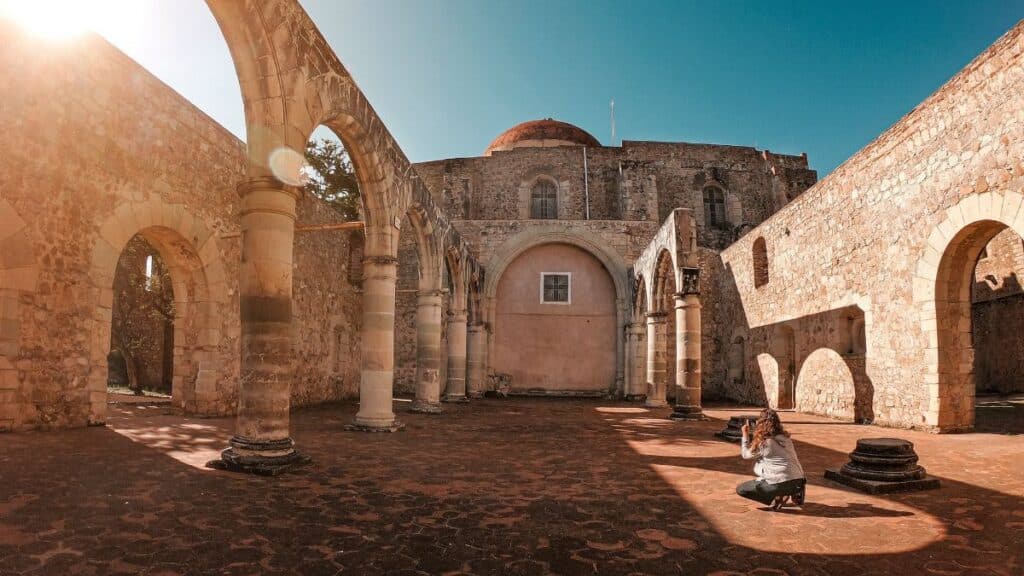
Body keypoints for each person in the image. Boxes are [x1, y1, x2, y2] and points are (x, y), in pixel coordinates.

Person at [736, 408, 806, 511]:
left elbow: (746, 455)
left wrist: (745, 436)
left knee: (742, 489)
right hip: (799, 480)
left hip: (781, 482)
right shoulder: (786, 438)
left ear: (760, 423)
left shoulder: (765, 443)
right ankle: (794, 491)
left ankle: (776, 498)